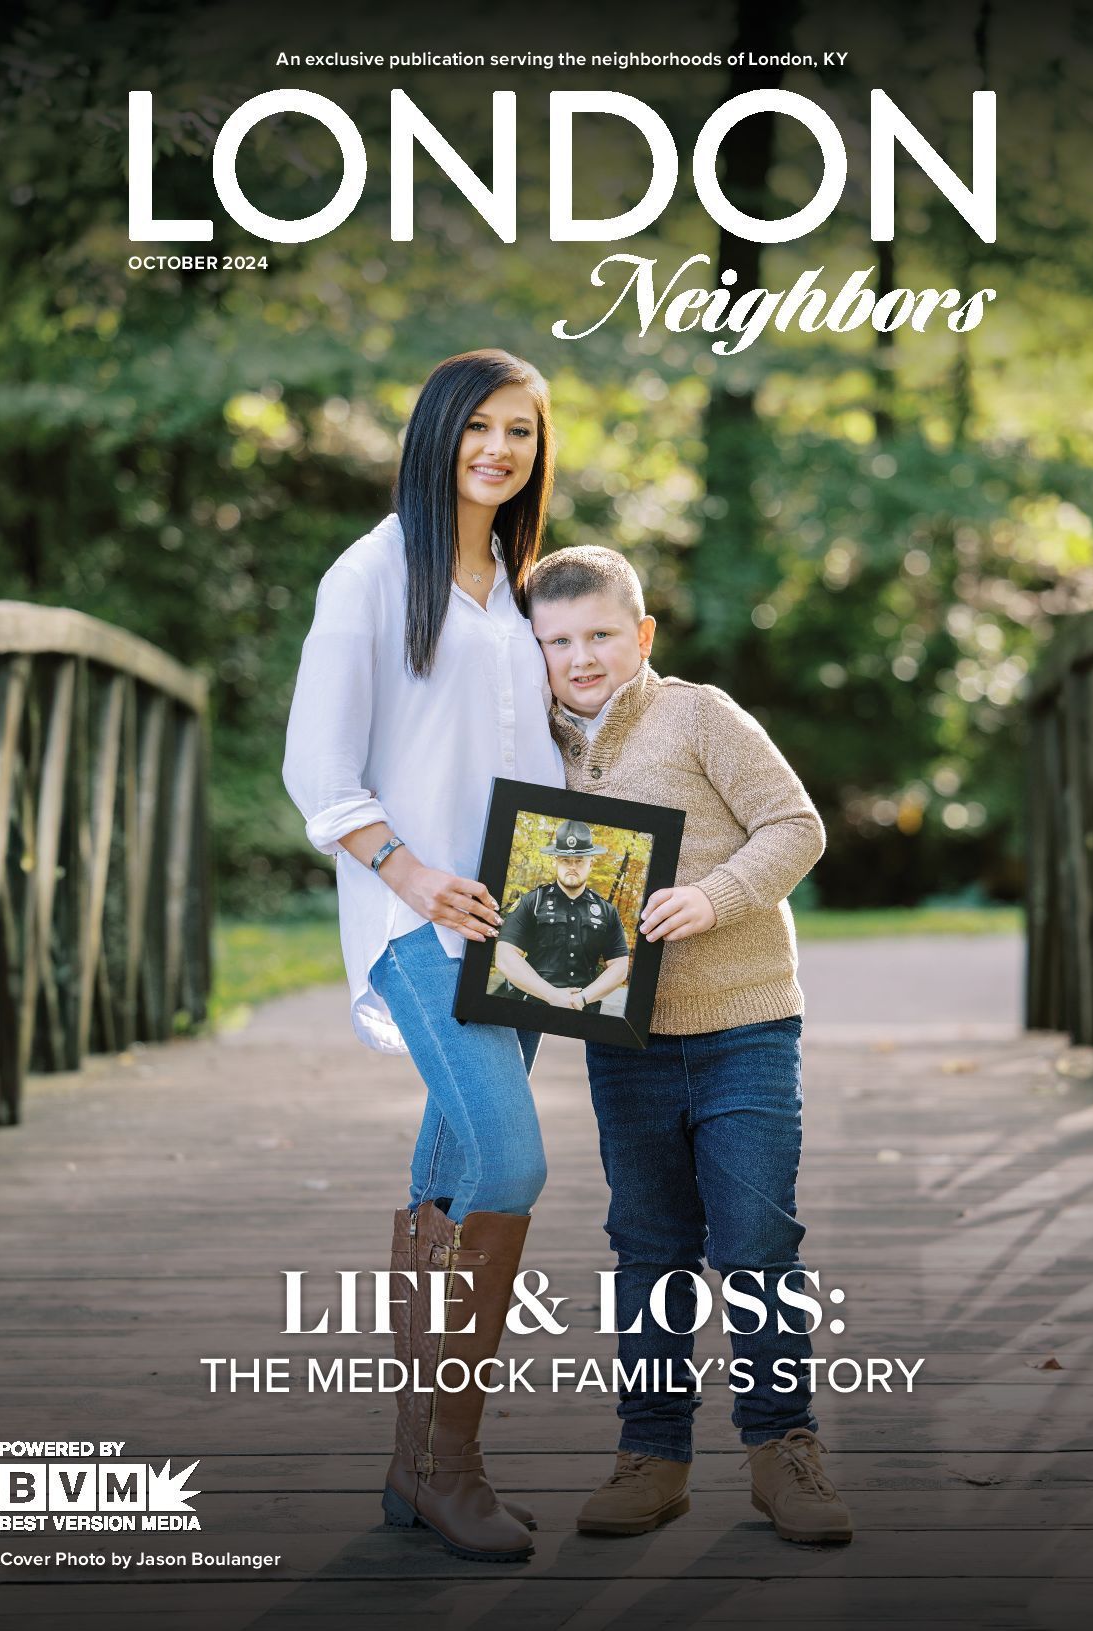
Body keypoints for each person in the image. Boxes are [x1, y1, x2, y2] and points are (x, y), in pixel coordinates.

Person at [282, 350, 563, 1564]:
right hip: (419, 923)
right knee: (511, 1157)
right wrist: (406, 872)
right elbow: (315, 767)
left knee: (454, 1171)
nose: (497, 448)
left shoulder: (522, 585)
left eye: (520, 431)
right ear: (436, 434)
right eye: (478, 426)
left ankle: (416, 1466)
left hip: (529, 934)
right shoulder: (370, 572)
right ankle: (454, 1465)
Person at [527, 544, 855, 1547]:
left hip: (743, 1022)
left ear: (641, 634)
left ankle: (782, 1447)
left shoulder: (698, 714)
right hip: (622, 1039)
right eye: (556, 641)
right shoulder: (529, 741)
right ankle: (653, 1454)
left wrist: (715, 896)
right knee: (649, 1244)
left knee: (755, 1238)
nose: (581, 657)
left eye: (599, 634)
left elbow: (794, 826)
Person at [495, 819, 629, 1010]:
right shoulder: (532, 902)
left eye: (579, 860)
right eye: (565, 860)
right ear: (555, 861)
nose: (572, 866)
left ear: (591, 864)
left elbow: (620, 967)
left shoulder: (607, 911)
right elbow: (504, 956)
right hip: (530, 1007)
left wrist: (581, 999)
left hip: (584, 1010)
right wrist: (553, 996)